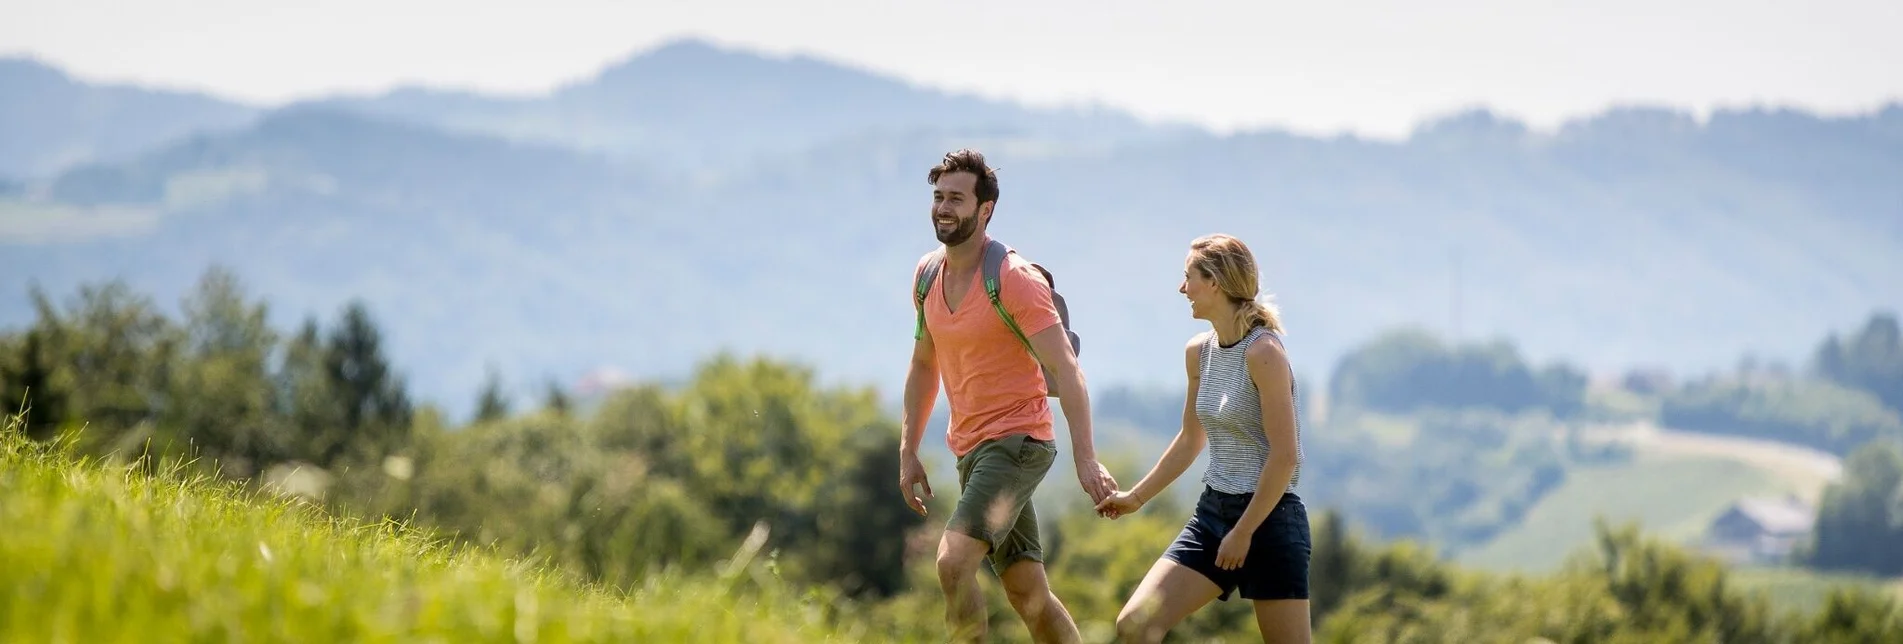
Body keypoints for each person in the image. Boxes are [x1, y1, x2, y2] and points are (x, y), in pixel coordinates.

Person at [899, 148, 1119, 644]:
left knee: (953, 563)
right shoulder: (927, 275)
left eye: (956, 198)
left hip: (1018, 445)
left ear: (985, 210)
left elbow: (1067, 368)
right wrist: (908, 450)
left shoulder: (1014, 279)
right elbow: (923, 364)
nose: (943, 208)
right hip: (972, 450)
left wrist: (1087, 460)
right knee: (1027, 593)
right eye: (938, 197)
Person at [1095, 233, 1311, 644]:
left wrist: (1245, 531)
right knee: (1135, 626)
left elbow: (1285, 456)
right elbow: (1190, 440)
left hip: (1270, 519)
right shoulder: (1199, 352)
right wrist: (1135, 498)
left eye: (1188, 277)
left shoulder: (1264, 353)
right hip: (1213, 515)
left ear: (1214, 282)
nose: (1182, 288)